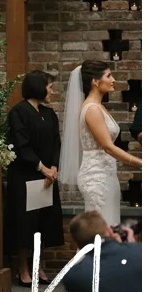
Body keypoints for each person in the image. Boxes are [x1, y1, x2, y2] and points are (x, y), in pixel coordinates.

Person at [60, 61, 142, 226]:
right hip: (96, 178)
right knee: (100, 230)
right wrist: (140, 162)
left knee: (108, 227)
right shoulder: (92, 110)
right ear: (95, 81)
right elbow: (107, 147)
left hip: (106, 174)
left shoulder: (98, 107)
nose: (113, 80)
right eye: (108, 76)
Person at [4, 70, 63, 287]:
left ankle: (38, 266)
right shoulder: (19, 112)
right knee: (25, 223)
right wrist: (42, 168)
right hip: (26, 175)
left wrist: (54, 167)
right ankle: (22, 268)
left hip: (48, 176)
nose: (52, 91)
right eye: (49, 87)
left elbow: (56, 142)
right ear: (38, 87)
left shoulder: (49, 114)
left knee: (43, 222)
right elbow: (21, 144)